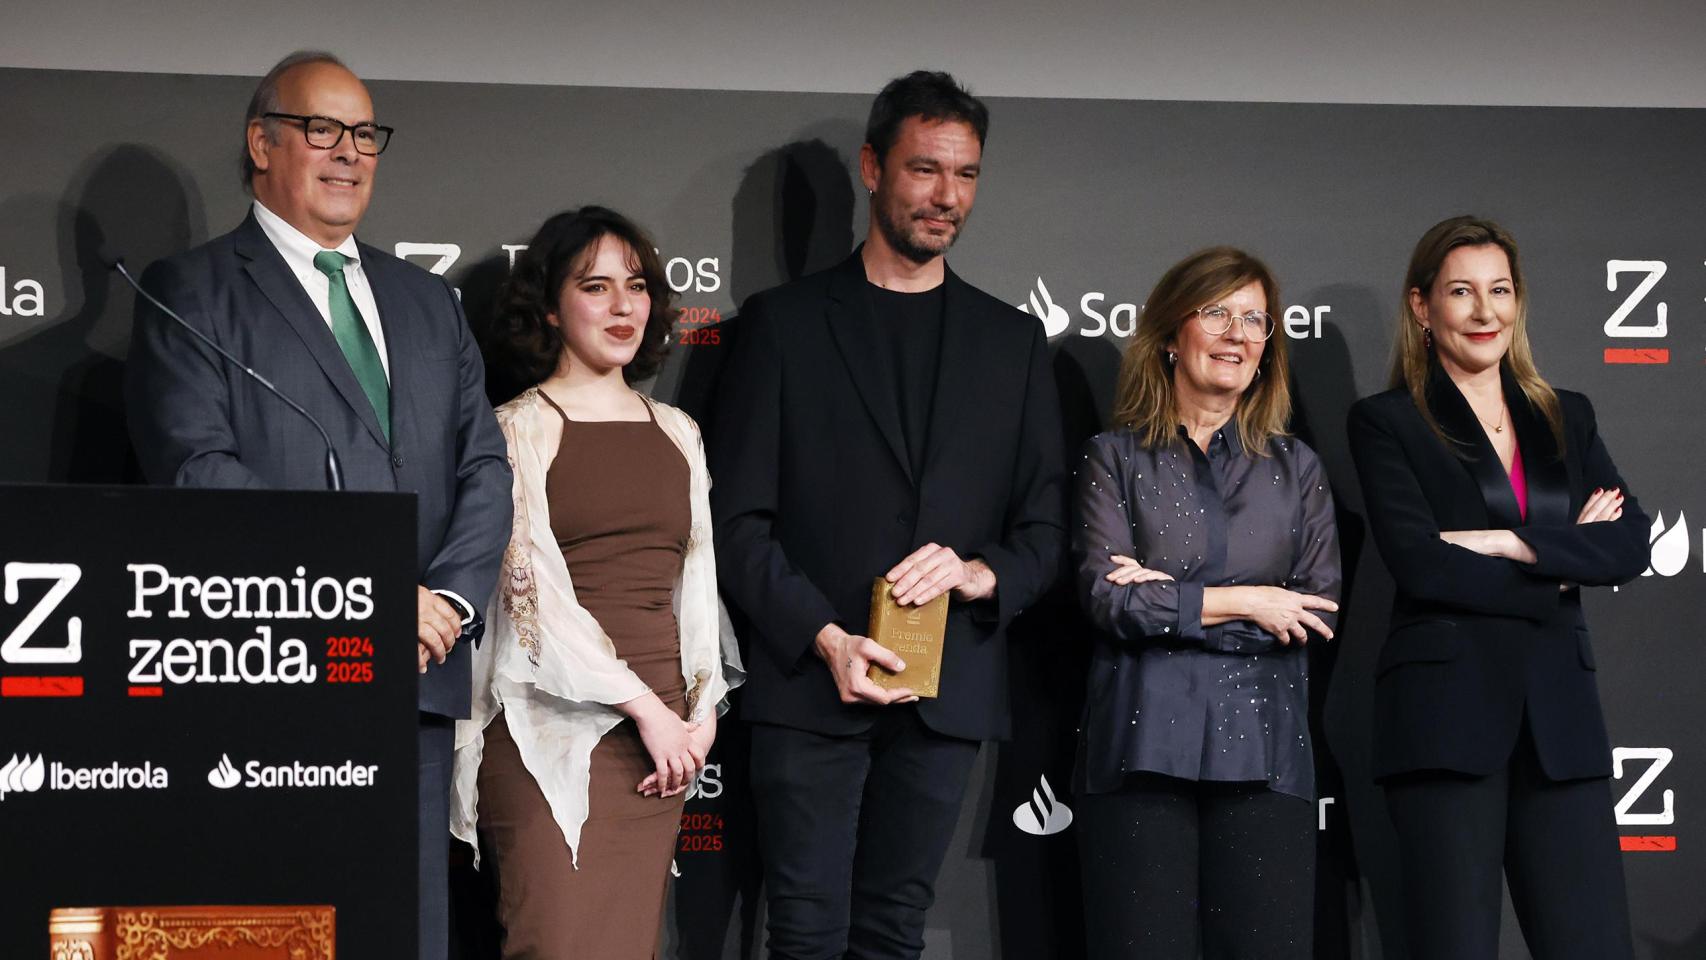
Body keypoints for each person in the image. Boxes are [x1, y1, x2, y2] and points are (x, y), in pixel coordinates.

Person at [123, 51, 512, 960]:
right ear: (262, 143)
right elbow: (196, 475)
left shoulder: (427, 302)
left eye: (365, 133)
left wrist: (447, 605)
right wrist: (375, 598)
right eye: (321, 129)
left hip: (416, 681)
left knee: (402, 933)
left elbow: (485, 467)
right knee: (282, 934)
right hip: (273, 688)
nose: (349, 153)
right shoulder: (193, 293)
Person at [709, 70, 1066, 959]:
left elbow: (1047, 527)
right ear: (874, 168)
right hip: (809, 685)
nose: (947, 196)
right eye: (925, 169)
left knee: (893, 934)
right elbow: (736, 522)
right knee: (804, 931)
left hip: (946, 692)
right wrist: (826, 638)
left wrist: (983, 573)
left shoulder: (1011, 341)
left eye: (967, 174)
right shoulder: (782, 326)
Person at [1347, 215, 1647, 960]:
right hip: (1446, 727)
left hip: (1560, 727)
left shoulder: (1564, 415)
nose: (1485, 312)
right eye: (1461, 292)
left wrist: (1513, 542)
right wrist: (1564, 562)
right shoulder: (1386, 423)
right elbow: (1424, 564)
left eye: (1500, 290)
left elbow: (1631, 542)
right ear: (1422, 307)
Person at [448, 206, 742, 958]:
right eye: (596, 286)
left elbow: (698, 584)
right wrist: (645, 708)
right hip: (550, 729)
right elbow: (528, 594)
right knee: (554, 941)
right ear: (549, 306)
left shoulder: (679, 432)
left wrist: (698, 715)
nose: (622, 306)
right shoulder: (517, 427)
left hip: (665, 746)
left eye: (636, 286)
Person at [1071, 247, 1339, 959]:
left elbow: (1313, 612)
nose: (1238, 333)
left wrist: (1170, 598)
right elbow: (1109, 602)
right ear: (1168, 333)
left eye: (1254, 319)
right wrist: (1253, 599)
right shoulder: (1113, 458)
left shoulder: (1297, 468)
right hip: (1140, 757)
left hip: (1266, 758)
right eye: (1217, 312)